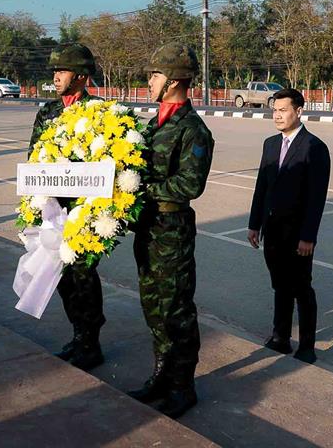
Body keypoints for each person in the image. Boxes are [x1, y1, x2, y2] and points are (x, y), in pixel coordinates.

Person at [127, 42, 214, 419]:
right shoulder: (153, 123)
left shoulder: (193, 130)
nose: (149, 81)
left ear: (175, 81)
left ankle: (183, 386)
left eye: (155, 75)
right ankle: (162, 375)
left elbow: (189, 185)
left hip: (171, 229)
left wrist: (142, 189)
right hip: (147, 226)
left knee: (176, 310)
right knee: (152, 306)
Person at [29, 43, 106, 371]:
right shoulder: (47, 112)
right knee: (61, 278)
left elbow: (108, 164)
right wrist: (33, 205)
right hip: (53, 212)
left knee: (83, 275)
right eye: (55, 71)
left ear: (81, 76)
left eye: (62, 71)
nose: (56, 77)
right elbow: (33, 157)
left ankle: (91, 341)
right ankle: (78, 335)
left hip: (83, 213)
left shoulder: (101, 112)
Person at [247, 88, 331, 364]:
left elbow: (316, 198)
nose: (278, 115)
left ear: (299, 111)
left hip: (298, 235)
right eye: (275, 110)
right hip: (272, 230)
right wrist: (254, 224)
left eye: (283, 110)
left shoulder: (314, 147)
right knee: (280, 285)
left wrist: (308, 236)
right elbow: (262, 186)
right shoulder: (270, 144)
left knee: (301, 288)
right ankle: (280, 337)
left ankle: (307, 345)